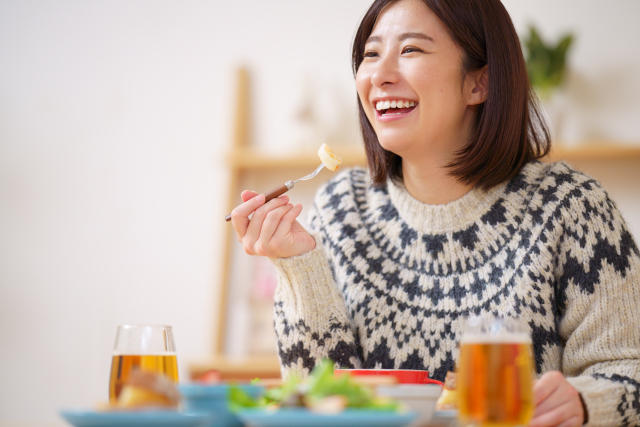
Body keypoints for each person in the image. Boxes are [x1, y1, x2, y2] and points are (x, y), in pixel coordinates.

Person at [229, 0, 640, 426]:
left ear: (479, 83)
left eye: (410, 50)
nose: (380, 74)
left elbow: (631, 374)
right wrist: (300, 267)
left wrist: (586, 402)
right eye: (371, 54)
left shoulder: (573, 209)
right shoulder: (338, 210)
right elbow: (322, 405)